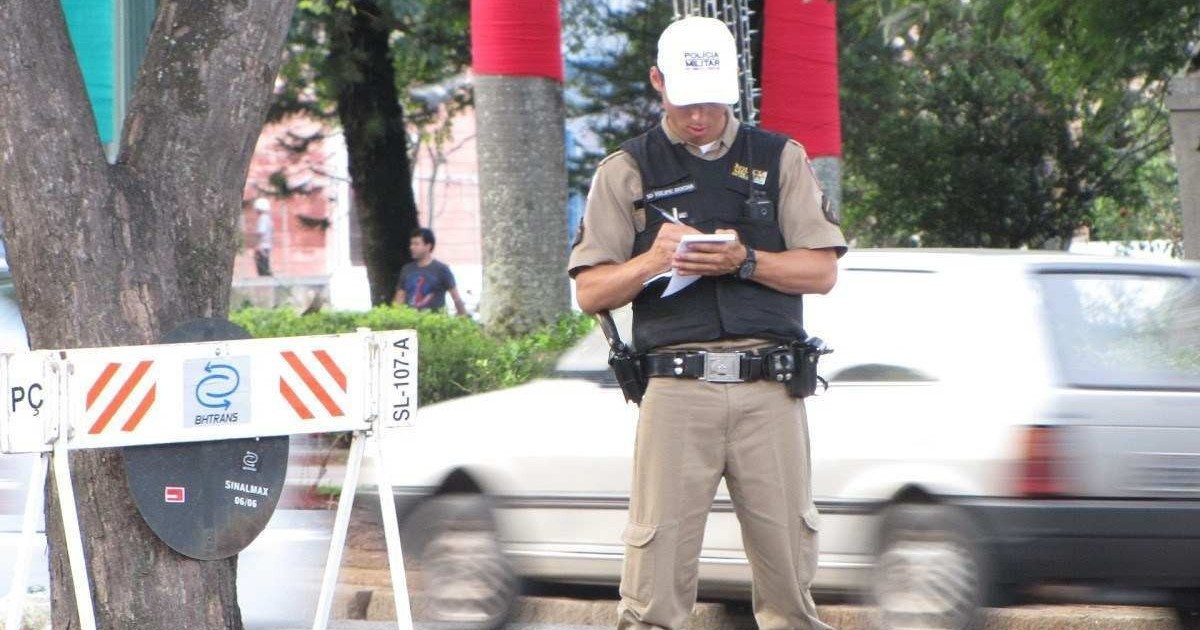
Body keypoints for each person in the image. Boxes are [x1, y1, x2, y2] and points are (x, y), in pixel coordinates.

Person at [567, 16, 847, 630]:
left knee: (789, 583)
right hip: (674, 390)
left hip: (768, 389)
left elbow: (821, 271)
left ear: (734, 87)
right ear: (657, 82)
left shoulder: (780, 158)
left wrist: (745, 260)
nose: (699, 115)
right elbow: (590, 290)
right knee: (654, 581)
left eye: (713, 101)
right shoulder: (626, 170)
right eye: (685, 100)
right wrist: (652, 260)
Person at [393, 227, 467, 316]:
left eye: (416, 244)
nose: (412, 247)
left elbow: (456, 297)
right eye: (411, 244)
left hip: (434, 324)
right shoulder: (407, 270)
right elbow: (399, 298)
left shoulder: (441, 269)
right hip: (410, 323)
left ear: (428, 246)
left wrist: (464, 318)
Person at [253, 198, 273, 277]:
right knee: (265, 266)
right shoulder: (267, 218)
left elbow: (261, 232)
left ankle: (266, 285)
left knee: (263, 269)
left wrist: (257, 245)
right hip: (266, 245)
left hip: (262, 246)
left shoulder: (263, 218)